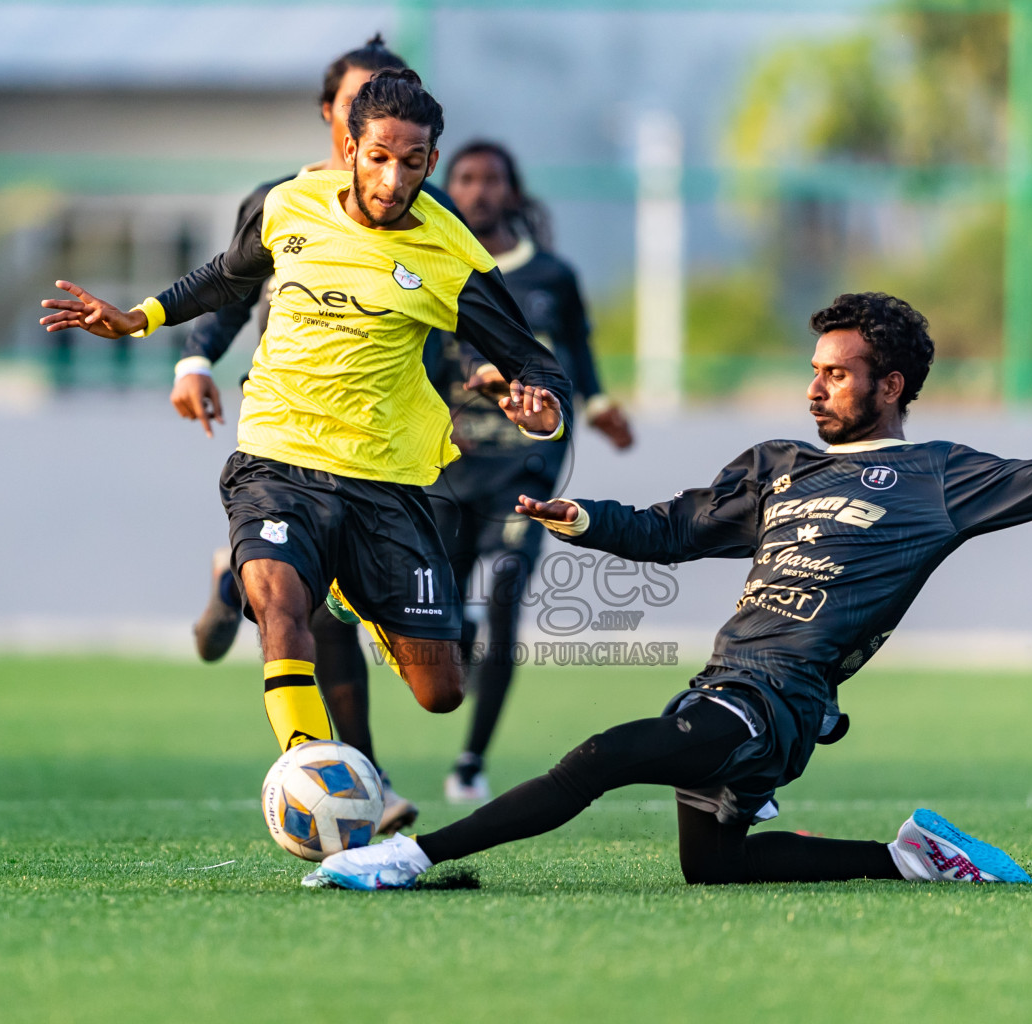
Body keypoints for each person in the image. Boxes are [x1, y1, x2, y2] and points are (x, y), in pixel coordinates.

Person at [305, 295, 1032, 890]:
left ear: (891, 386)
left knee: (604, 756)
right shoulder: (780, 464)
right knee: (715, 868)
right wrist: (584, 518)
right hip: (724, 685)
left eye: (838, 376)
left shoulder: (937, 477)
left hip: (780, 705)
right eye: (814, 372)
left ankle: (410, 860)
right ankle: (905, 858)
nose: (816, 388)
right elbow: (674, 529)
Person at [39, 71, 572, 796]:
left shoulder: (452, 256)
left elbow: (533, 360)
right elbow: (227, 277)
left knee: (440, 691)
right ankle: (317, 775)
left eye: (412, 162)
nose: (393, 178)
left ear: (431, 163)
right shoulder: (290, 206)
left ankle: (350, 591)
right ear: (349, 147)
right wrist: (142, 317)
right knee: (283, 611)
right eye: (380, 156)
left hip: (386, 478)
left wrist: (545, 410)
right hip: (277, 458)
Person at [171, 35, 456, 833]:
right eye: (358, 102)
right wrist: (192, 363)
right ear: (336, 116)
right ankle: (356, 776)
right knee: (315, 616)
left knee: (413, 655)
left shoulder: (427, 214)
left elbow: (462, 307)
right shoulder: (282, 198)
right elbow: (228, 288)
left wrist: (488, 379)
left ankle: (236, 581)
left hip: (388, 437)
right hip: (295, 440)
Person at [426, 140, 634, 803]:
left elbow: (576, 352)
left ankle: (471, 759)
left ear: (514, 194)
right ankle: (462, 649)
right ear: (448, 187)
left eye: (492, 180)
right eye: (465, 178)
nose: (479, 190)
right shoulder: (435, 266)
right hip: (452, 466)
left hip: (528, 462)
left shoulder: (552, 277)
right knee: (449, 618)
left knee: (510, 588)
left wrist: (598, 406)